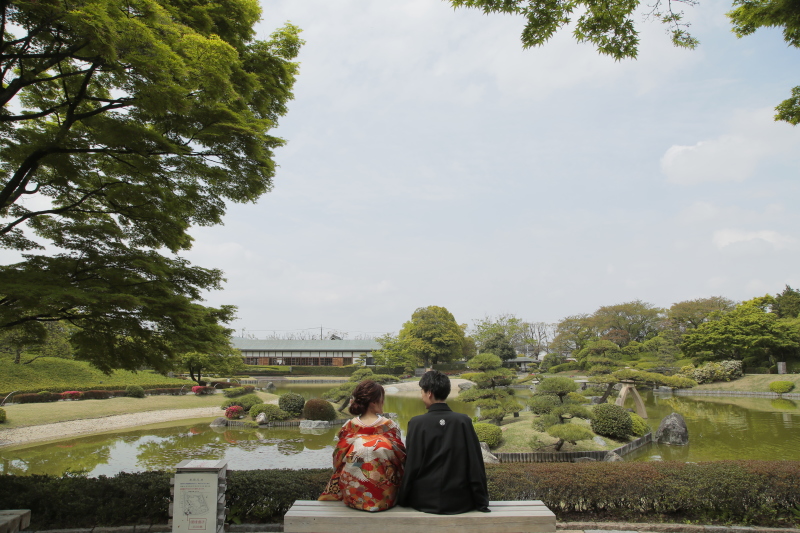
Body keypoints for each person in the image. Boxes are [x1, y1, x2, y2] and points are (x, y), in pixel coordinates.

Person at [397, 370, 490, 514]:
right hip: (460, 501)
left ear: (429, 393)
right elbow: (475, 464)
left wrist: (403, 498)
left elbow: (412, 465)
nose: (421, 396)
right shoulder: (463, 421)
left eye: (422, 392)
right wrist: (481, 501)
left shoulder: (416, 423)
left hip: (423, 500)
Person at [319, 379, 406, 511]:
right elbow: (401, 459)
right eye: (382, 398)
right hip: (385, 498)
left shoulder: (348, 427)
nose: (383, 402)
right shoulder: (390, 426)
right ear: (374, 402)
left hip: (353, 496)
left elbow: (337, 459)